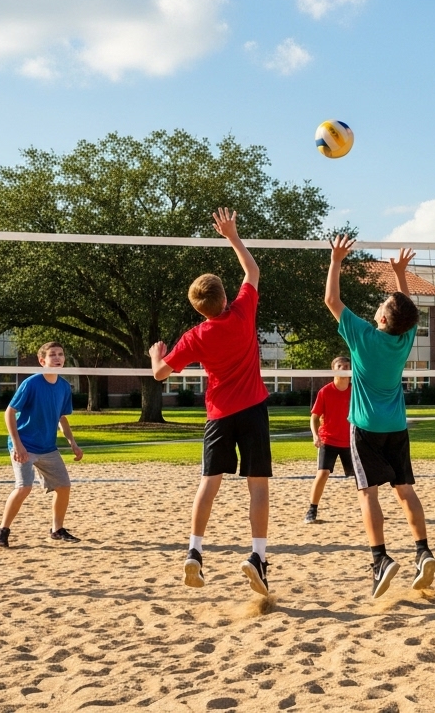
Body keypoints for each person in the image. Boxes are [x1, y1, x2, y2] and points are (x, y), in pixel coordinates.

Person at [150, 208, 273, 596]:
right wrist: (233, 236)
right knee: (258, 486)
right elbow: (252, 273)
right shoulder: (242, 312)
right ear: (224, 297)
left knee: (209, 482)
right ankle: (257, 556)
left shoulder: (194, 336)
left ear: (197, 307)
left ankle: (195, 550)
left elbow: (159, 375)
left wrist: (157, 354)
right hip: (252, 409)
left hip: (219, 415)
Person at [324, 234, 435, 598]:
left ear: (383, 317)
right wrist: (400, 275)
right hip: (397, 428)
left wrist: (337, 259)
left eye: (382, 303)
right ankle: (422, 551)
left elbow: (331, 300)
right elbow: (406, 309)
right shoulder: (404, 338)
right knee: (405, 490)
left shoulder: (363, 337)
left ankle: (380, 560)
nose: (378, 305)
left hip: (366, 429)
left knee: (368, 494)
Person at [0, 341, 83, 548]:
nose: (58, 358)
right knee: (24, 487)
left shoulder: (64, 386)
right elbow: (9, 412)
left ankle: (57, 530)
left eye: (60, 354)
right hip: (24, 444)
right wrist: (18, 445)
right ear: (43, 361)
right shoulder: (31, 383)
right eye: (52, 355)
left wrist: (73, 444)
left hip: (47, 447)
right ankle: (2, 530)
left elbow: (62, 417)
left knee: (64, 486)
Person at [305, 356, 354, 524]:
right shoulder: (325, 391)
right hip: (329, 440)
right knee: (323, 473)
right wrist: (315, 435)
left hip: (351, 442)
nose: (345, 368)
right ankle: (312, 509)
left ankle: (369, 507)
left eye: (347, 366)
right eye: (340, 366)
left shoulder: (356, 391)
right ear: (334, 369)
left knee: (363, 478)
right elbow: (314, 417)